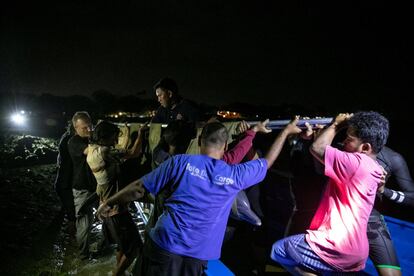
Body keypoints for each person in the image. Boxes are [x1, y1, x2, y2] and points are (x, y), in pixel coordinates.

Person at [97, 117, 302, 276]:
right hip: (197, 256)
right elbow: (267, 162)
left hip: (163, 245)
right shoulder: (234, 175)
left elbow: (140, 188)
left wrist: (110, 201)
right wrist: (283, 132)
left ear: (200, 140)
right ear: (224, 147)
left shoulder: (180, 162)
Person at [271, 111, 389, 274]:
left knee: (280, 250)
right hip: (356, 252)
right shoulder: (373, 167)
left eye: (349, 139)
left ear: (365, 147)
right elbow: (324, 157)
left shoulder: (356, 163)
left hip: (336, 246)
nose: (344, 142)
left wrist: (335, 125)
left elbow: (318, 148)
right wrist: (317, 135)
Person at [87, 121, 145, 276]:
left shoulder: (93, 150)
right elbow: (134, 153)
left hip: (105, 208)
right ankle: (117, 274)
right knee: (134, 248)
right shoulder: (106, 152)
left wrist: (125, 133)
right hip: (116, 211)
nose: (115, 141)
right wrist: (140, 134)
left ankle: (117, 271)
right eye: (113, 137)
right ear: (105, 137)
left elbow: (119, 150)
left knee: (122, 246)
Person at [367, 146, 414, 276]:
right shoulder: (345, 146)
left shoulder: (392, 158)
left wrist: (383, 190)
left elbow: (412, 198)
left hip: (370, 219)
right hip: (340, 215)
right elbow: (319, 167)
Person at [67, 111, 97, 259]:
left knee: (105, 216)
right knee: (84, 223)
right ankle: (83, 256)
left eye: (90, 126)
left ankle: (102, 246)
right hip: (82, 188)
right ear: (76, 128)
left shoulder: (91, 138)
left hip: (95, 187)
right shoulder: (74, 142)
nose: (88, 130)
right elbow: (90, 152)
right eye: (84, 128)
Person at [54, 121, 76, 231]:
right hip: (66, 180)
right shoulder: (71, 140)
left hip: (63, 177)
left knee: (67, 205)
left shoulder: (66, 136)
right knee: (71, 209)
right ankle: (71, 237)